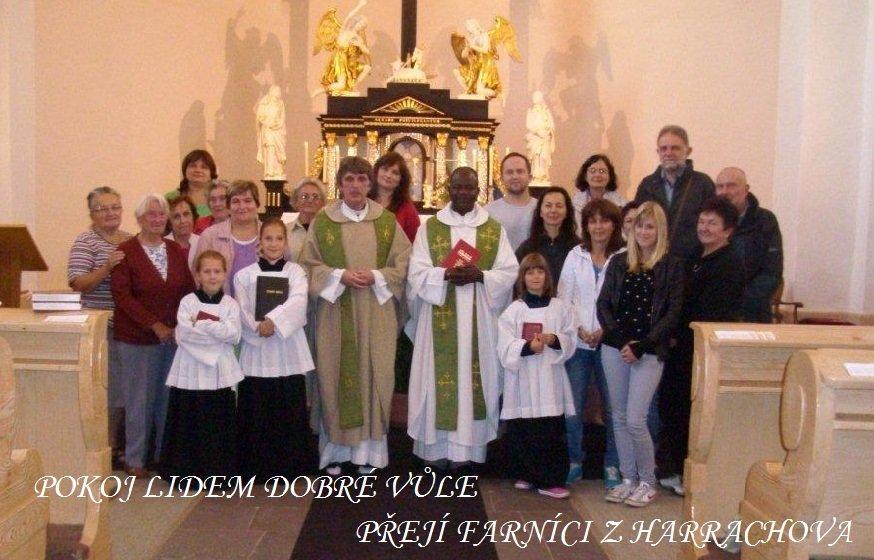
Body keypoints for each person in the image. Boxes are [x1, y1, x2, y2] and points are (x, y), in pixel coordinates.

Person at [300, 156, 411, 474]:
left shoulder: (386, 222)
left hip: (376, 314)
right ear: (339, 183)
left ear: (370, 184)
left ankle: (369, 455)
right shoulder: (324, 222)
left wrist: (377, 276)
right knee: (334, 375)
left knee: (375, 376)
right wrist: (339, 276)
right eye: (349, 179)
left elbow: (405, 263)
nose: (355, 185)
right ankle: (335, 451)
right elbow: (308, 266)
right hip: (335, 314)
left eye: (362, 179)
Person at [407, 166, 518, 466]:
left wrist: (481, 276)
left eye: (469, 188)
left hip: (478, 320)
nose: (464, 193)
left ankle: (466, 454)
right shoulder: (430, 228)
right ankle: (435, 453)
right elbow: (416, 272)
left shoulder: (493, 229)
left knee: (474, 378)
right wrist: (444, 274)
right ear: (449, 189)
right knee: (436, 380)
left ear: (478, 191)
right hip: (438, 315)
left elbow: (509, 271)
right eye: (458, 187)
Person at [657, 197, 745, 497]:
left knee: (693, 409)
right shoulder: (695, 256)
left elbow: (711, 311)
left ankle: (692, 476)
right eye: (702, 221)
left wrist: (678, 329)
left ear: (727, 230)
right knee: (674, 406)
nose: (704, 228)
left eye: (712, 223)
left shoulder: (729, 264)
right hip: (681, 345)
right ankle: (676, 467)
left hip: (703, 348)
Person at [597, 201, 683, 507]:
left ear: (660, 230)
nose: (644, 232)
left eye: (650, 226)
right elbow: (603, 304)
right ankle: (628, 479)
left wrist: (641, 345)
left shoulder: (671, 265)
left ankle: (647, 481)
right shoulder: (620, 262)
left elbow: (672, 313)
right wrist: (621, 340)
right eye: (639, 226)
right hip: (615, 349)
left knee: (636, 419)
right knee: (619, 418)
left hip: (648, 350)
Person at [111, 194, 196, 477]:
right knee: (139, 402)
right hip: (136, 340)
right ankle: (135, 459)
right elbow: (123, 297)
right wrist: (154, 325)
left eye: (162, 214)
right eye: (152, 214)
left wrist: (182, 325)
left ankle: (162, 457)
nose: (159, 219)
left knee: (166, 400)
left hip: (171, 339)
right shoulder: (125, 251)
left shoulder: (173, 249)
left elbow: (187, 290)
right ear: (139, 219)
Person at [235, 219, 316, 480]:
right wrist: (258, 326)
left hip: (287, 347)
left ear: (285, 241)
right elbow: (242, 308)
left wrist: (273, 322)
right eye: (268, 238)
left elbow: (298, 302)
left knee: (288, 407)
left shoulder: (296, 272)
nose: (273, 244)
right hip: (256, 347)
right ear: (260, 241)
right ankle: (256, 468)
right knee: (257, 409)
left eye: (279, 238)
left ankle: (289, 467)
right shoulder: (244, 275)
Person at [558, 198, 625, 487]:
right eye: (592, 221)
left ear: (614, 224)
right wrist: (580, 328)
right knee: (573, 407)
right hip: (579, 343)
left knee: (614, 409)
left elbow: (625, 302)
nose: (598, 227)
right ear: (585, 225)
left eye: (604, 220)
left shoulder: (624, 256)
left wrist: (605, 331)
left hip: (611, 344)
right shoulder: (576, 255)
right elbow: (565, 298)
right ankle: (575, 461)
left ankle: (612, 464)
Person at [498, 253, 576, 499]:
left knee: (549, 430)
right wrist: (527, 347)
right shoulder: (514, 310)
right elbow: (504, 345)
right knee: (524, 428)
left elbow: (570, 337)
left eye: (540, 271)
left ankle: (550, 480)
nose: (535, 277)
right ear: (522, 278)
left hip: (549, 376)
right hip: (524, 376)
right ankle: (528, 474)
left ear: (547, 276)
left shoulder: (559, 307)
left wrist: (554, 339)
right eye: (529, 272)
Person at [160, 250, 242, 481]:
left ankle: (218, 473)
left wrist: (202, 322)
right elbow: (183, 334)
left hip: (220, 370)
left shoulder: (230, 304)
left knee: (217, 422)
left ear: (225, 274)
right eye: (207, 271)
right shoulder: (188, 301)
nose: (212, 276)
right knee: (189, 421)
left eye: (217, 271)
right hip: (190, 368)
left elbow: (234, 335)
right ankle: (186, 473)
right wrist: (217, 330)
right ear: (197, 274)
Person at [67, 186, 132, 468]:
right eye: (102, 208)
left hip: (128, 327)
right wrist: (106, 266)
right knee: (108, 391)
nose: (110, 213)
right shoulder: (85, 242)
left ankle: (120, 447)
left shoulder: (129, 240)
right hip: (100, 328)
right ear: (92, 214)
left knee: (125, 390)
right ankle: (106, 450)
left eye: (115, 207)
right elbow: (78, 282)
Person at [634, 126, 715, 260]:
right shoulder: (647, 185)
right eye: (664, 148)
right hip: (653, 262)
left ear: (688, 151)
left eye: (675, 148)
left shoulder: (703, 184)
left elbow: (712, 226)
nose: (668, 153)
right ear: (658, 152)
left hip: (691, 262)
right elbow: (638, 223)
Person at [715, 167, 783, 323]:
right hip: (715, 312)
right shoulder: (707, 222)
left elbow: (772, 272)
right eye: (720, 186)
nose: (725, 191)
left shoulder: (765, 221)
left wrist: (742, 300)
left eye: (731, 185)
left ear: (746, 189)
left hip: (753, 313)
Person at [196, 180, 262, 296]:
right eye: (235, 201)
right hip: (220, 305)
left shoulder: (271, 235)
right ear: (228, 206)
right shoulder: (209, 236)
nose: (242, 206)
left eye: (248, 200)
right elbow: (198, 277)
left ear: (257, 204)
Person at [515, 186, 579, 283]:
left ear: (567, 212)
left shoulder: (578, 249)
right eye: (548, 206)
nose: (553, 210)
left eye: (559, 206)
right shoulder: (526, 248)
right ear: (540, 212)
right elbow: (518, 282)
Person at [313, 0, 372, 96]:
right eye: (360, 24)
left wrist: (360, 46)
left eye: (363, 26)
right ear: (355, 22)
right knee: (341, 85)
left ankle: (353, 87)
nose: (360, 26)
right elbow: (349, 16)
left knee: (367, 68)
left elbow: (367, 55)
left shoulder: (358, 39)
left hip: (349, 63)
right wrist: (359, 5)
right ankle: (321, 90)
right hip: (340, 59)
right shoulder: (345, 30)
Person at [484, 152, 538, 251]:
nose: (515, 176)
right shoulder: (489, 212)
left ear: (530, 177)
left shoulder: (541, 208)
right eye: (509, 172)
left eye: (520, 171)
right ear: (501, 179)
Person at [368, 151, 421, 242]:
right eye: (385, 169)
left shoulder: (407, 210)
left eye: (395, 173)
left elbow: (414, 242)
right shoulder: (364, 201)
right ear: (376, 171)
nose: (388, 175)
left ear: (401, 179)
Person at [573, 154, 626, 232]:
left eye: (602, 171)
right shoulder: (574, 204)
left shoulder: (621, 205)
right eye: (592, 171)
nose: (597, 175)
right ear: (585, 176)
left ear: (610, 176)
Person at [286, 178, 328, 261]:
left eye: (315, 197)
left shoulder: (329, 231)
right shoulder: (285, 231)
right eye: (304, 196)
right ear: (296, 201)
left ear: (322, 203)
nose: (310, 200)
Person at [166, 149, 217, 218]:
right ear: (185, 170)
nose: (198, 170)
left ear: (211, 174)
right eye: (193, 166)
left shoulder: (219, 198)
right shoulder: (171, 198)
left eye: (204, 167)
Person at [256, 85, 287, 180]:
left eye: (279, 91)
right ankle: (270, 171)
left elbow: (282, 117)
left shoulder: (280, 103)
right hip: (268, 130)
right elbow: (259, 116)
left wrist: (278, 125)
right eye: (277, 91)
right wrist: (268, 123)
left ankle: (278, 171)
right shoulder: (264, 103)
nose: (279, 93)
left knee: (278, 151)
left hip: (278, 131)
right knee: (270, 148)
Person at [525, 91, 555, 185]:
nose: (535, 98)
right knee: (536, 157)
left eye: (536, 96)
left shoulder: (546, 111)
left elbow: (551, 124)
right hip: (535, 138)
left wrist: (547, 131)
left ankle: (543, 176)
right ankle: (536, 176)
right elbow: (528, 125)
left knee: (544, 157)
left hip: (545, 137)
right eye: (534, 97)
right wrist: (537, 132)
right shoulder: (531, 111)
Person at [165, 196, 200, 269]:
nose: (183, 221)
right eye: (176, 217)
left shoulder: (202, 242)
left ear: (193, 217)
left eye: (186, 214)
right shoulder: (162, 246)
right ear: (169, 222)